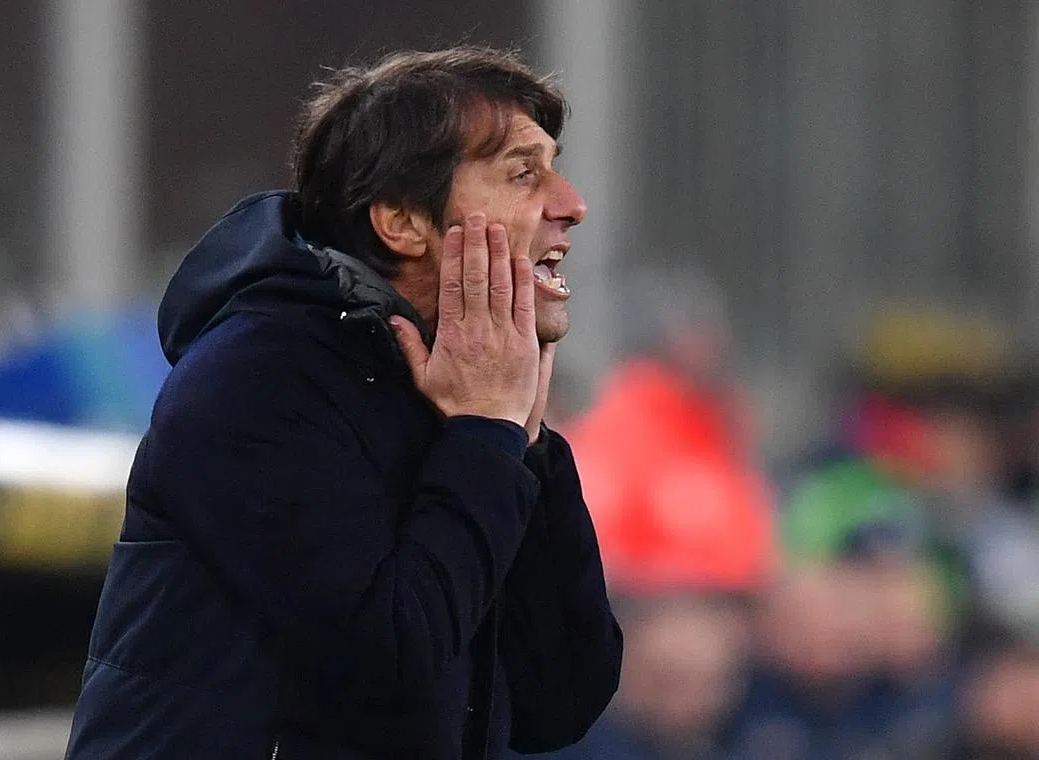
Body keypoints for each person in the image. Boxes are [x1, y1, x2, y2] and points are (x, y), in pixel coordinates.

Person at [64, 47, 623, 760]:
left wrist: (524, 439)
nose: (571, 205)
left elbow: (560, 702)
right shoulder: (256, 381)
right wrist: (486, 432)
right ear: (401, 221)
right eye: (522, 174)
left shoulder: (462, 390)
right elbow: (385, 663)